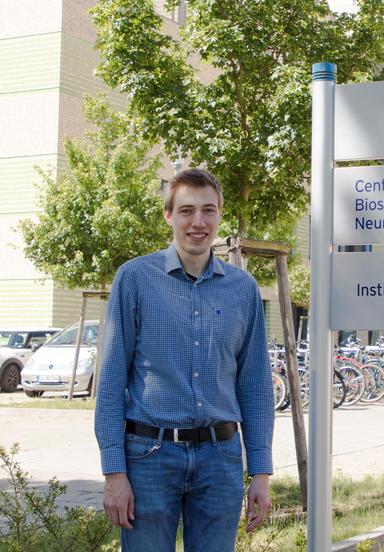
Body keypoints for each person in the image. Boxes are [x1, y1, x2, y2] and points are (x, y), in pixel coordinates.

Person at [95, 168, 274, 551]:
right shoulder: (135, 280)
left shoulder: (243, 289)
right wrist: (114, 473)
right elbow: (109, 383)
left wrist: (260, 471)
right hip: (148, 459)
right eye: (186, 210)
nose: (198, 222)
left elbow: (256, 386)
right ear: (168, 216)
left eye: (208, 210)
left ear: (220, 214)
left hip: (221, 459)